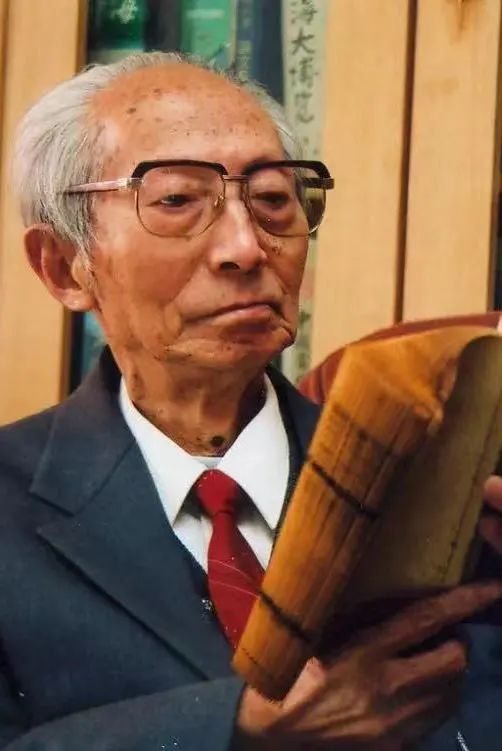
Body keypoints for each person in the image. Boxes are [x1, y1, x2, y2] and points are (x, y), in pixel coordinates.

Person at [1, 51, 502, 751]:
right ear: (64, 266)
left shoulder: (437, 491)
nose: (245, 247)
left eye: (272, 199)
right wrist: (237, 729)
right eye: (177, 201)